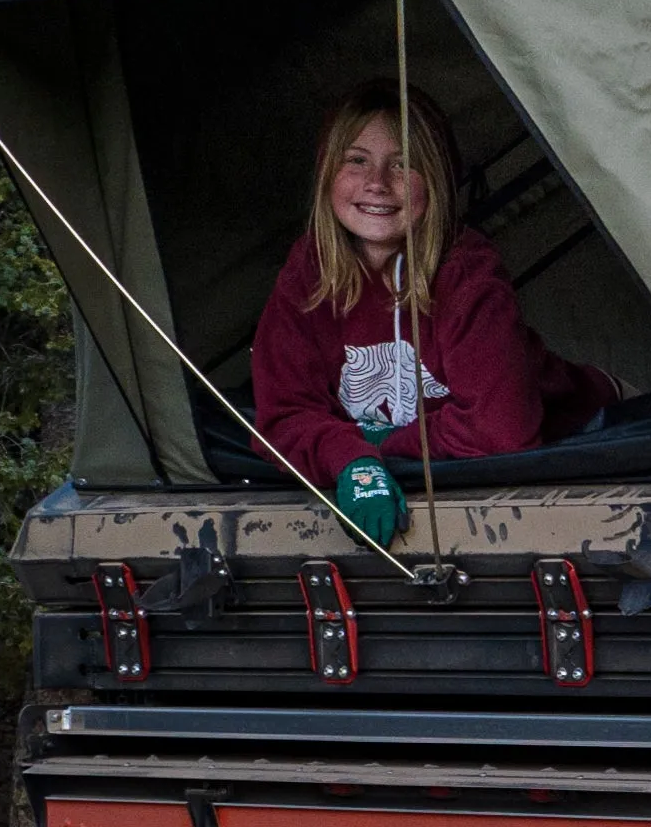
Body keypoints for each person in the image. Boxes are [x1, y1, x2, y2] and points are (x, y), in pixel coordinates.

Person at [250, 83, 613, 526]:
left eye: (404, 164)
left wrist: (379, 443)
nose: (378, 184)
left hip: (580, 415)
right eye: (357, 160)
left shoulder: (465, 268)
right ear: (327, 174)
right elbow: (281, 417)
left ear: (437, 179)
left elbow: (503, 430)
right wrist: (351, 458)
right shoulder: (309, 269)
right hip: (432, 444)